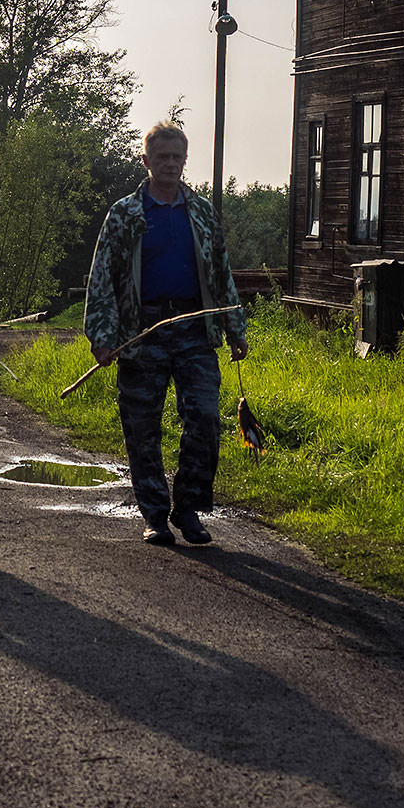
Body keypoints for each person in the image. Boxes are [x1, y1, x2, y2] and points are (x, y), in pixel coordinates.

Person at [85, 122, 248, 545]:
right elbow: (103, 277)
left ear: (185, 161)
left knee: (206, 419)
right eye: (162, 157)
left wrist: (235, 328)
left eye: (177, 157)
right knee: (141, 426)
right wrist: (102, 336)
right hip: (141, 333)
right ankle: (155, 516)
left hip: (195, 328)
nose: (170, 164)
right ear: (146, 161)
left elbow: (221, 271)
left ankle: (189, 510)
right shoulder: (126, 214)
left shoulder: (202, 213)